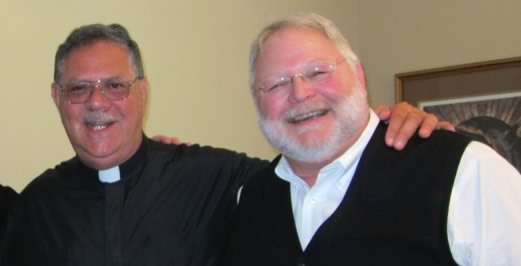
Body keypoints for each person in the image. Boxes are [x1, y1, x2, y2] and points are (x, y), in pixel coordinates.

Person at [1, 23, 448, 265]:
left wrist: (375, 128)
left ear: (141, 92)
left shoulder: (217, 176)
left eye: (115, 85)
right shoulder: (34, 206)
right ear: (58, 99)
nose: (98, 102)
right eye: (79, 89)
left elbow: (317, 168)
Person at [225, 13, 521, 266]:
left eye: (317, 72)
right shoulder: (251, 197)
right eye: (276, 84)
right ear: (257, 101)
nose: (300, 93)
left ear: (359, 76)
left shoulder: (466, 171)